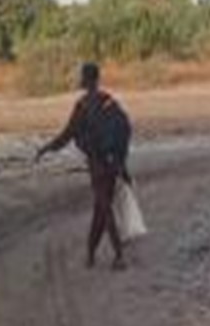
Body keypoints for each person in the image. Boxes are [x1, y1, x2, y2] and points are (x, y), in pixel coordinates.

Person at [34, 61, 138, 270]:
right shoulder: (109, 101)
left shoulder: (82, 106)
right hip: (113, 164)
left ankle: (118, 255)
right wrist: (122, 166)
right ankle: (90, 254)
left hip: (97, 166)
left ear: (85, 80)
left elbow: (66, 135)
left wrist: (45, 149)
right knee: (100, 209)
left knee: (104, 209)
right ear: (97, 79)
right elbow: (122, 133)